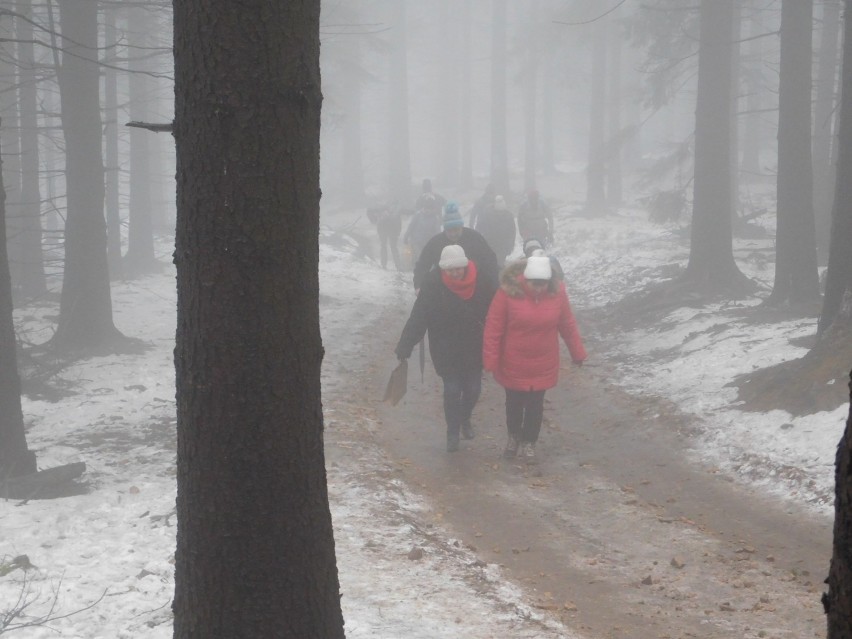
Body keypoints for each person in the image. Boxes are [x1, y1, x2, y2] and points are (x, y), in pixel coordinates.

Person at [483, 254, 587, 463]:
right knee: (513, 402)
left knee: (535, 404)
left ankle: (530, 442)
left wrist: (577, 353)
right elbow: (494, 328)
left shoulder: (557, 294)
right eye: (535, 284)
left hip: (543, 361)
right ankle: (514, 436)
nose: (539, 289)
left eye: (543, 284)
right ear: (526, 280)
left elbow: (567, 324)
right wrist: (491, 359)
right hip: (512, 360)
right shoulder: (507, 294)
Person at [395, 245, 493, 452]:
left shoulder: (482, 281)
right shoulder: (433, 284)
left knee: (473, 389)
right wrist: (405, 346)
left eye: (458, 268)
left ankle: (464, 418)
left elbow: (499, 311)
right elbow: (419, 317)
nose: (456, 273)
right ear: (443, 269)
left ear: (465, 265)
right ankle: (453, 431)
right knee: (452, 390)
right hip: (445, 346)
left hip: (474, 344)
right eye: (451, 270)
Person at [413, 201, 499, 298]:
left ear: (461, 226)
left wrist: (493, 284)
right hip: (444, 291)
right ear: (444, 229)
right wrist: (418, 285)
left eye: (456, 230)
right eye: (449, 231)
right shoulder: (435, 243)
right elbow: (422, 265)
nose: (453, 234)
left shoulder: (474, 238)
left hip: (474, 289)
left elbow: (490, 260)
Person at [473, 194, 517, 267]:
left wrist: (510, 245)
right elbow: (480, 226)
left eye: (502, 212)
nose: (500, 214)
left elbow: (512, 232)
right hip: (490, 244)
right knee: (491, 264)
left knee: (500, 264)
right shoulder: (487, 214)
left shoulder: (509, 216)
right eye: (498, 213)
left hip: (503, 245)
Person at [403, 193, 442, 268]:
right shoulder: (418, 215)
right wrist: (406, 236)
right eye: (426, 208)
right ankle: (419, 272)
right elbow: (411, 226)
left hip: (428, 243)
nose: (428, 210)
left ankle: (425, 272)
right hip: (417, 241)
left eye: (430, 208)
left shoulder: (435, 218)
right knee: (420, 258)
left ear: (433, 208)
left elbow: (437, 231)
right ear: (424, 207)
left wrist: (439, 241)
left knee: (427, 259)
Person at [366, 204, 403, 270]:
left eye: (385, 212)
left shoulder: (393, 216)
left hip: (393, 232)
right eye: (383, 212)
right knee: (384, 247)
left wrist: (398, 233)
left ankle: (398, 266)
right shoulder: (381, 216)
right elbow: (378, 224)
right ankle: (384, 265)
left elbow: (399, 223)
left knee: (393, 248)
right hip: (384, 232)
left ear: (388, 210)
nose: (385, 213)